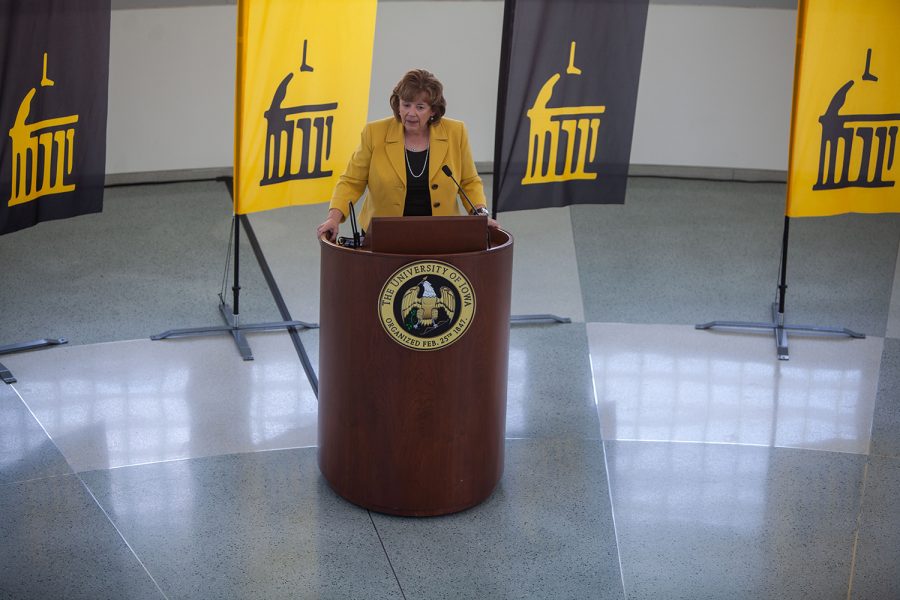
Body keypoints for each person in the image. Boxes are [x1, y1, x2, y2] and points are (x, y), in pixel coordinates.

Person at [316, 69, 494, 241]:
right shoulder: (374, 133)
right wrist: (333, 218)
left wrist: (481, 215)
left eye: (420, 107)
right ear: (397, 105)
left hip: (440, 235)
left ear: (433, 110)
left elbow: (469, 182)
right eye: (406, 105)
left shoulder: (456, 132)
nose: (411, 113)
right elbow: (351, 182)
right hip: (383, 236)